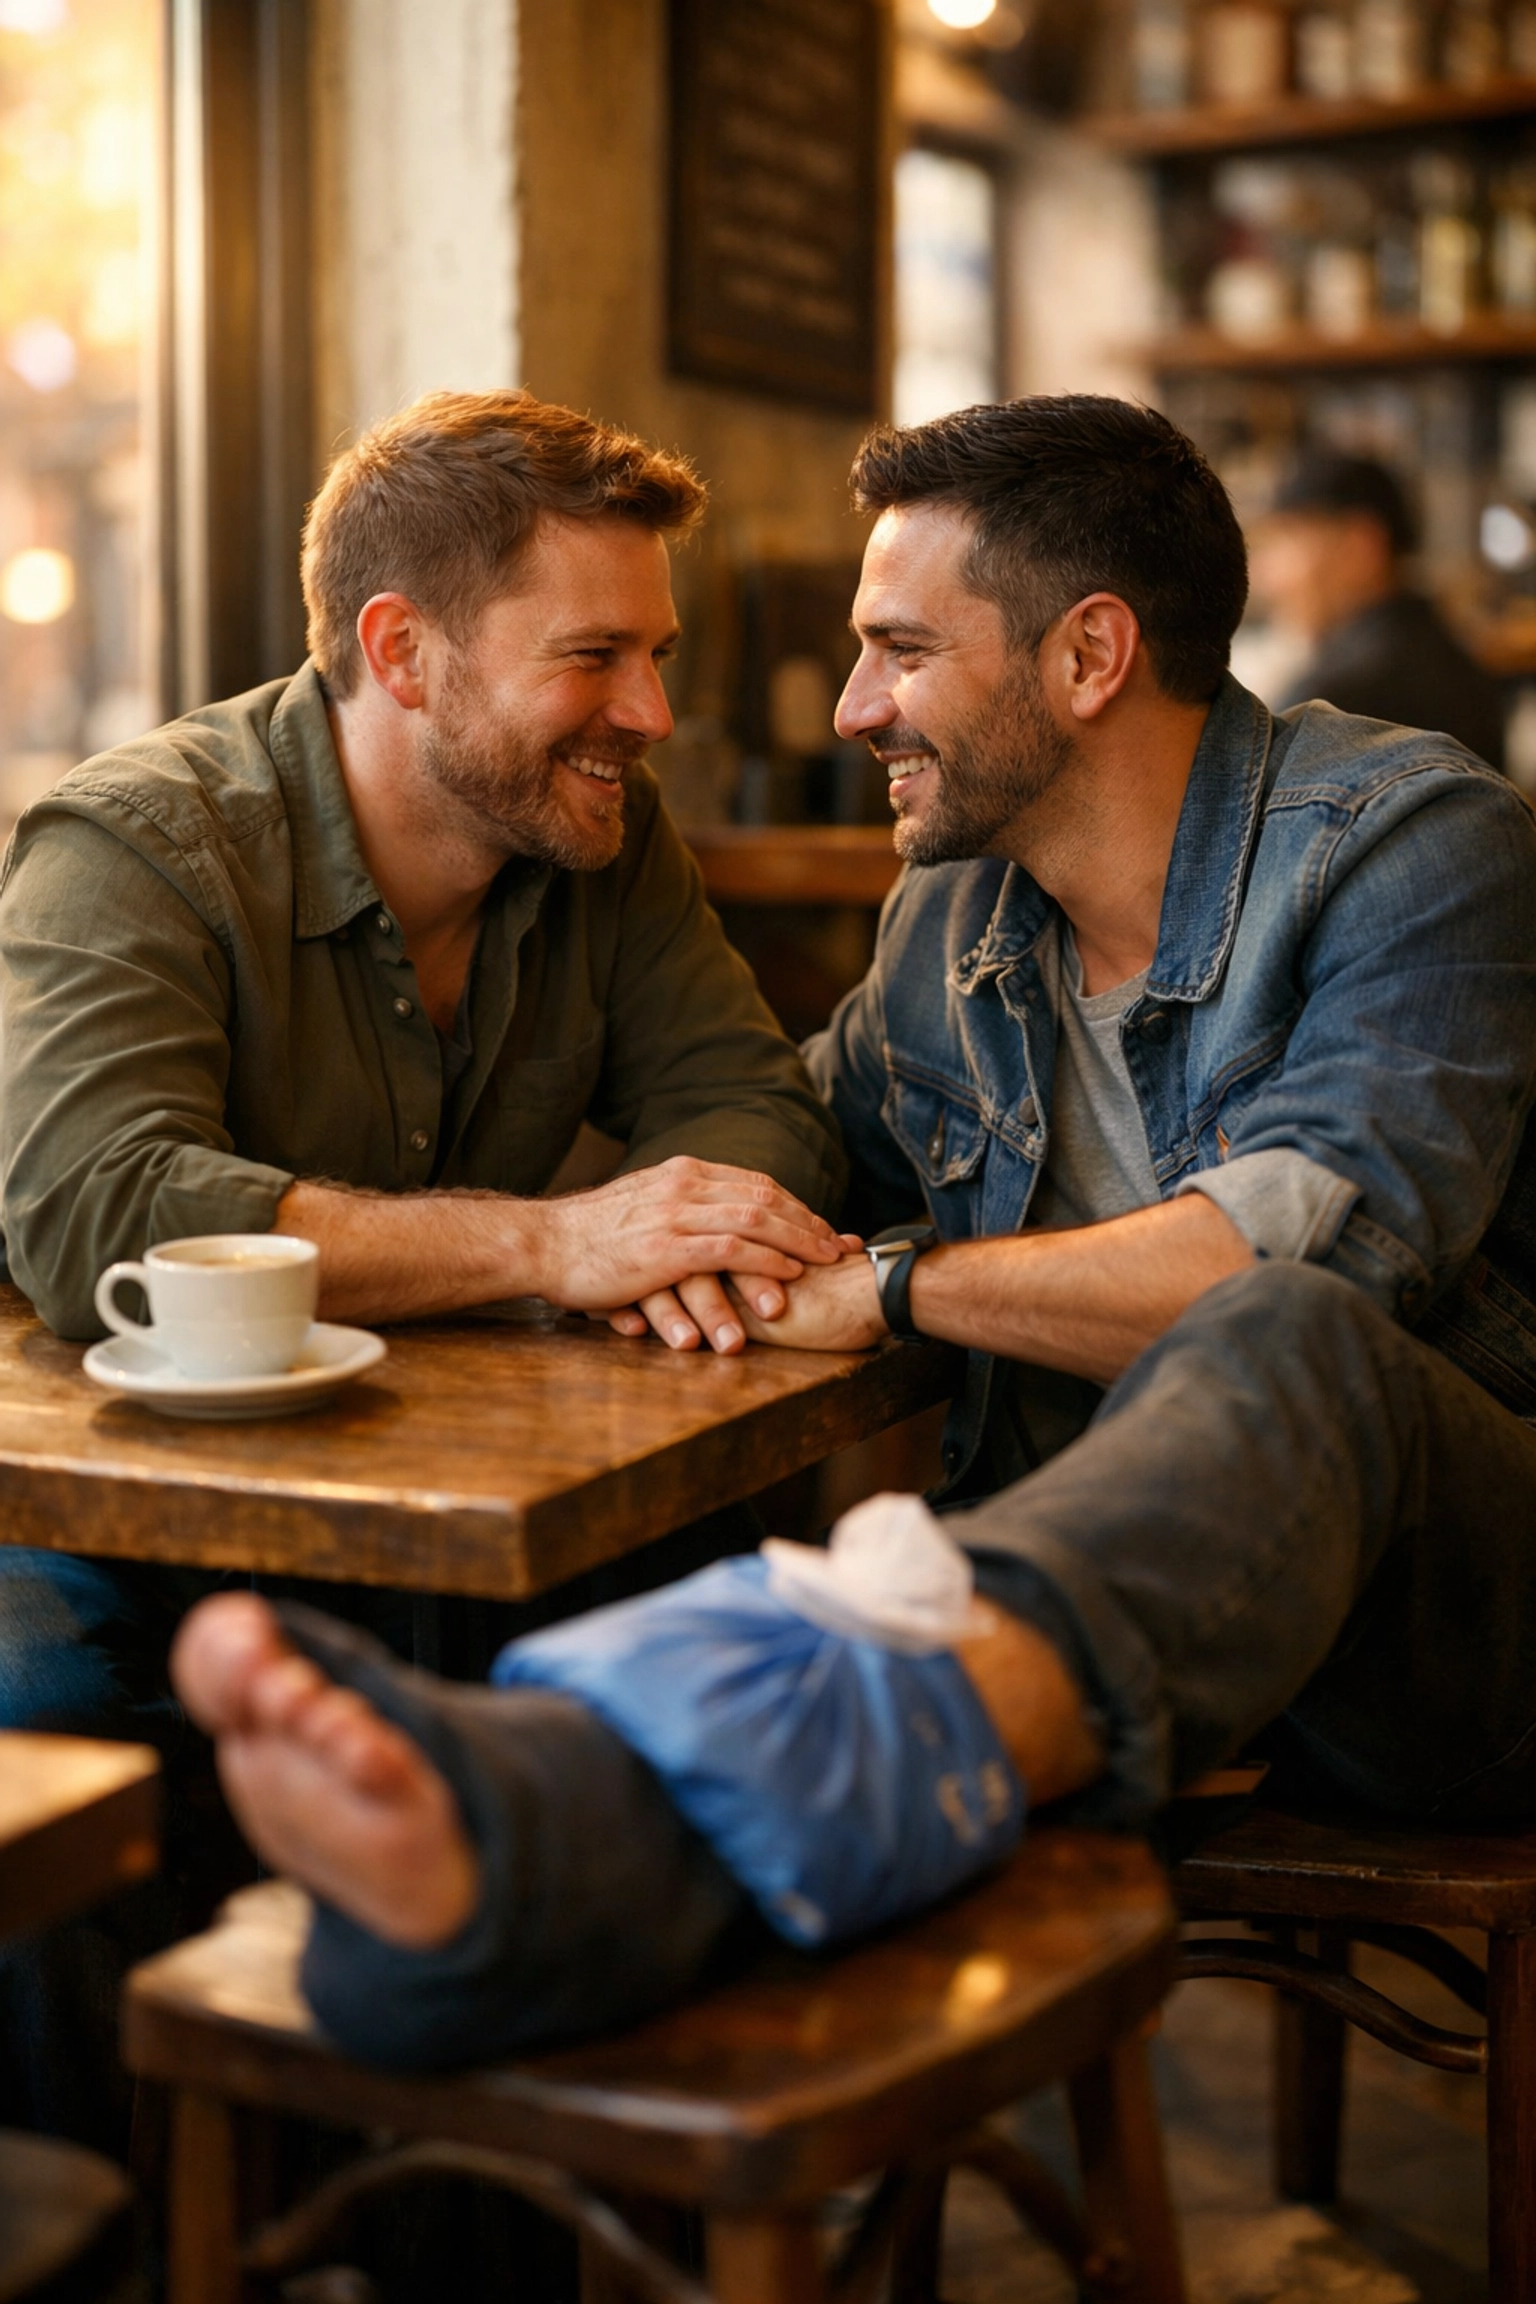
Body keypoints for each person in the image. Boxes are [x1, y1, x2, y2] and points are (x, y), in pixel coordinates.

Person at [170, 394, 1536, 2076]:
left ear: (1089, 654)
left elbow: (1303, 1265)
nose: (851, 706)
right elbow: (780, 1153)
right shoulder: (953, 921)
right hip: (1091, 1651)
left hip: (1455, 1633)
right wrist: (598, 1230)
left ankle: (581, 1818)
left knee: (1283, 1334)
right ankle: (583, 1819)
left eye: (899, 648)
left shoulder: (1409, 845)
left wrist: (897, 1286)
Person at [0, 388, 845, 2140]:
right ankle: (154, 2237)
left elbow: (753, 1109)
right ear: (401, 649)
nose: (653, 712)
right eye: (594, 655)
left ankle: (505, 2212)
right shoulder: (137, 838)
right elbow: (98, 1209)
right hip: (83, 1501)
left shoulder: (599, 837)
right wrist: (559, 1237)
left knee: (692, 1599)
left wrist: (687, 1239)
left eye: (657, 653)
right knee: (52, 1711)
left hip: (385, 1477)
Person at [1249, 447, 1507, 771]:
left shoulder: (1337, 701)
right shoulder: (1449, 655)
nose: (1264, 577)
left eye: (1286, 541)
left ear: (1360, 546)